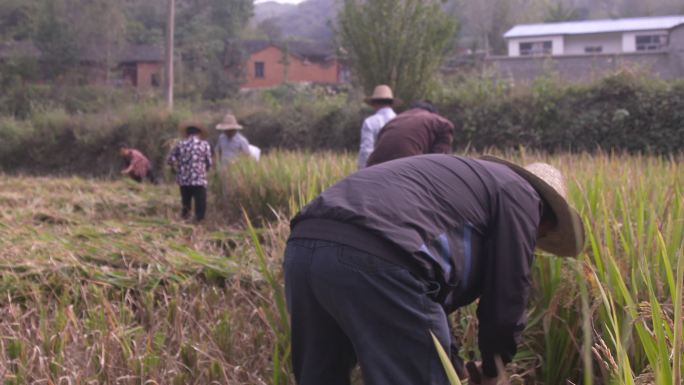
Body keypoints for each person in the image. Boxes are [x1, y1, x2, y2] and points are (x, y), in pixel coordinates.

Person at [283, 154, 585, 385]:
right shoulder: (521, 195)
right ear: (545, 218)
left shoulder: (466, 183)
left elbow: (424, 302)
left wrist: (450, 359)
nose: (536, 241)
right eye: (540, 236)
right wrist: (496, 367)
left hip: (303, 245)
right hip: (378, 259)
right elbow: (508, 293)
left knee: (320, 376)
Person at [366, 100, 454, 167]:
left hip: (372, 170)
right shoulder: (441, 123)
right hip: (406, 169)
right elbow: (439, 163)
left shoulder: (393, 121)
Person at [167, 122, 212, 222]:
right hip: (199, 179)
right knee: (200, 203)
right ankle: (199, 221)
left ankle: (185, 220)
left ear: (187, 134)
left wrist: (176, 168)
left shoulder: (180, 144)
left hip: (184, 179)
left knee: (186, 203)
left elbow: (170, 160)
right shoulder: (204, 144)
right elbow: (209, 162)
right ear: (199, 134)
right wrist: (204, 170)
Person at [357, 85, 397, 169]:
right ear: (391, 103)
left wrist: (362, 172)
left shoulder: (370, 122)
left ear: (374, 103)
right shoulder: (400, 120)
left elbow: (366, 152)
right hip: (397, 169)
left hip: (376, 170)